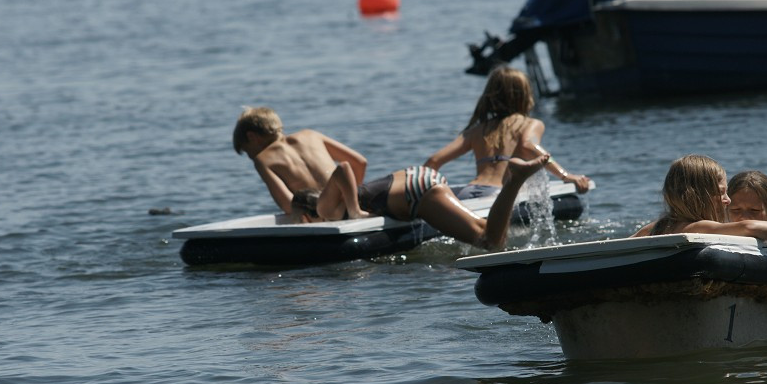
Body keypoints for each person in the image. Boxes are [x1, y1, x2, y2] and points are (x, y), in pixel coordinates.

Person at [633, 154, 767, 283]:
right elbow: (749, 226)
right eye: (721, 192)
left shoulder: (655, 227)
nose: (727, 200)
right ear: (700, 195)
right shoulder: (700, 227)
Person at [292, 155, 552, 251]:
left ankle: (515, 179)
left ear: (305, 215)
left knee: (489, 241)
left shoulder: (324, 209)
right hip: (420, 180)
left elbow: (344, 168)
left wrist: (356, 212)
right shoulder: (334, 204)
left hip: (415, 194)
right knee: (492, 234)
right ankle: (514, 178)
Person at [423, 66, 590, 200]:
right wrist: (565, 175)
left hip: (469, 192)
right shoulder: (530, 124)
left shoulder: (477, 130)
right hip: (497, 193)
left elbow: (434, 161)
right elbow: (529, 146)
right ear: (526, 96)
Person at [233, 106, 370, 217]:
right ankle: (354, 208)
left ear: (252, 137)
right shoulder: (310, 135)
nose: (250, 156)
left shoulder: (262, 160)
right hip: (351, 202)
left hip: (322, 211)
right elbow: (360, 162)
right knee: (343, 168)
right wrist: (349, 196)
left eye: (247, 151)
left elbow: (288, 204)